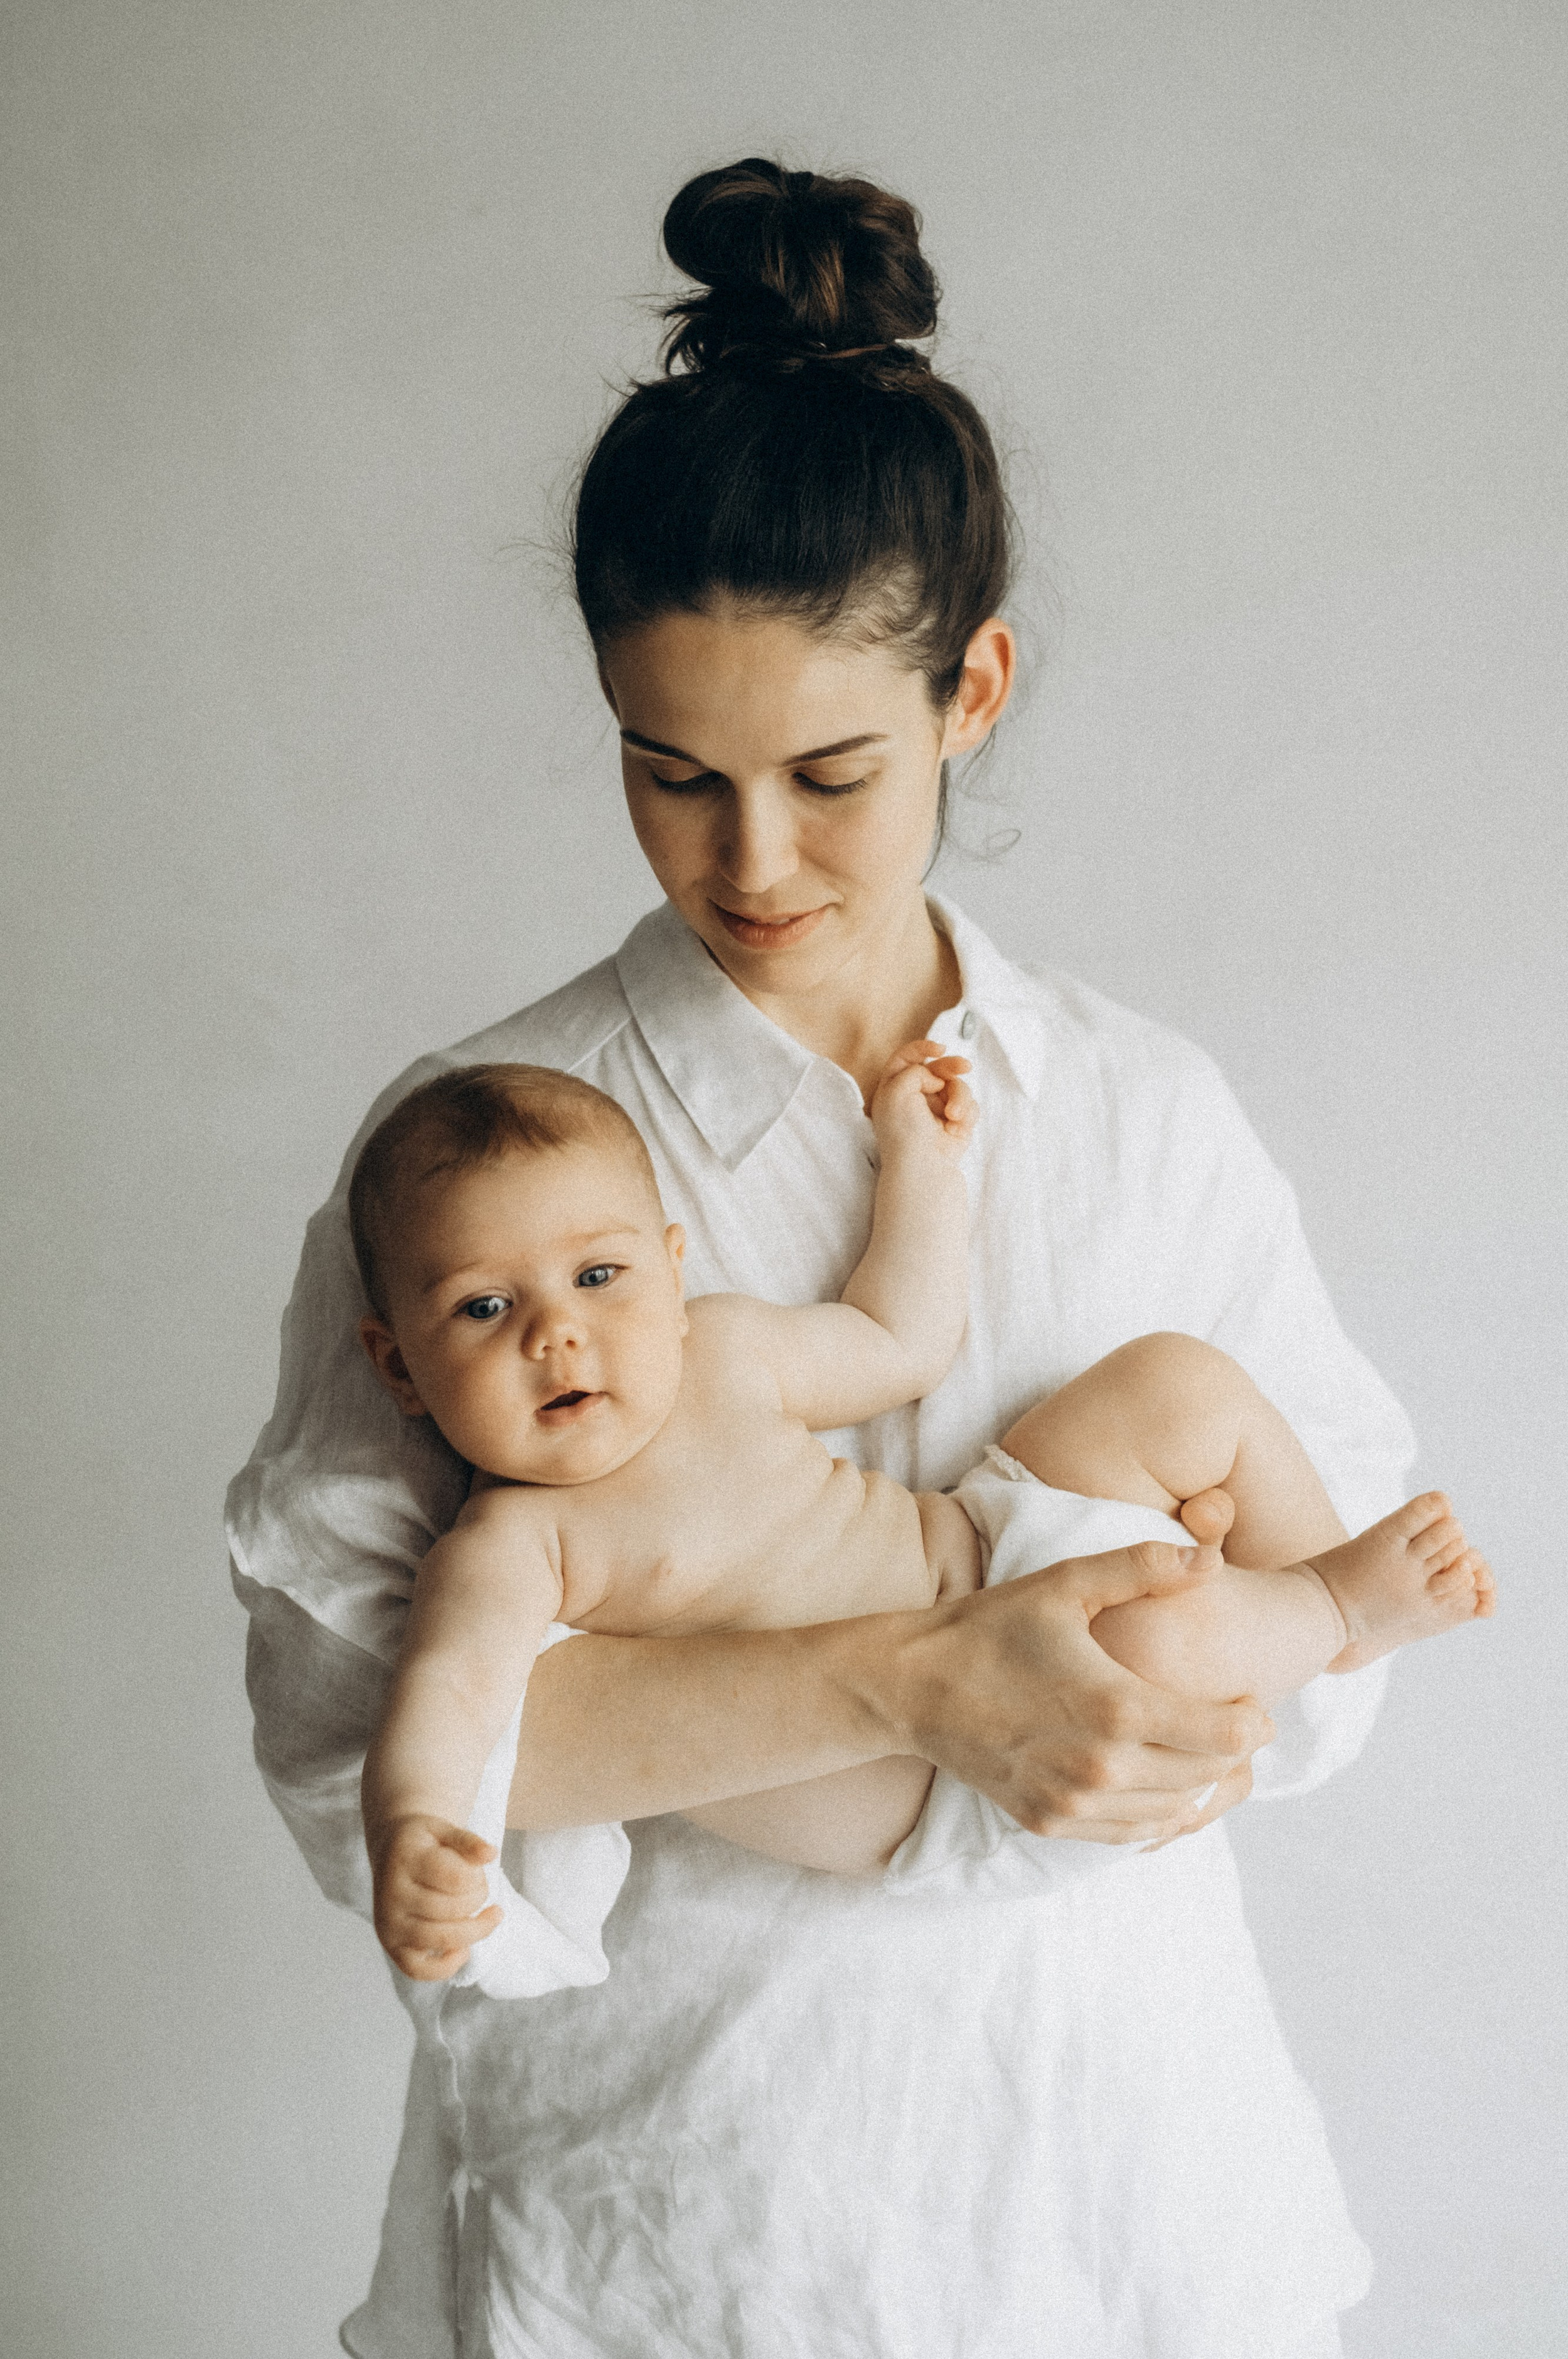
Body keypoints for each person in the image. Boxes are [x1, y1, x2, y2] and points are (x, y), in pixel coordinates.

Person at [227, 157, 1427, 2358]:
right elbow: (354, 1752)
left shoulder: (1141, 1110)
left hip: (1133, 2218)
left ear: (975, 690)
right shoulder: (475, 1174)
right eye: (670, 772)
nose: (752, 859)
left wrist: (1199, 1685)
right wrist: (901, 1684)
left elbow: (1338, 1651)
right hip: (678, 2240)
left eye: (832, 772)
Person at [348, 1059, 1491, 1984]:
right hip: (961, 1782)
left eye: (599, 1277)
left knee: (1174, 1384)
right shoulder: (511, 1549)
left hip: (990, 1540)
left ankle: (1308, 1573)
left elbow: (902, 1337)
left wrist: (922, 1165)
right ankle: (1332, 1608)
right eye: (484, 1307)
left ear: (671, 1268)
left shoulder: (727, 1351)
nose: (556, 1335)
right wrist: (412, 1830)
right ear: (398, 1366)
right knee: (1154, 1643)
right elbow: (452, 1705)